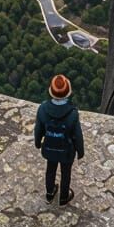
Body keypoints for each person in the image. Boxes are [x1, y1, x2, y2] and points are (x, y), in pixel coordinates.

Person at [34, 74, 84, 206]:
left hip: (49, 147)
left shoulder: (43, 109)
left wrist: (38, 143)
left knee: (50, 170)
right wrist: (80, 151)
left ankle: (50, 193)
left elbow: (38, 129)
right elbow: (77, 135)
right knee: (66, 173)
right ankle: (63, 197)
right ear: (68, 93)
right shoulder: (73, 113)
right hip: (66, 150)